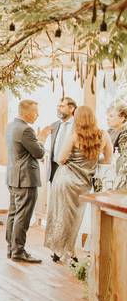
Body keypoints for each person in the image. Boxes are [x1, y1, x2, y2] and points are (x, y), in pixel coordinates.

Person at [44, 106, 112, 264]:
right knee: (76, 218)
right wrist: (91, 162)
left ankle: (58, 250)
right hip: (83, 183)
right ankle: (70, 250)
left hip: (66, 179)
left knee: (61, 214)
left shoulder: (74, 135)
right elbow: (107, 160)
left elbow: (60, 159)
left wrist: (74, 162)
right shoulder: (104, 135)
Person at [5, 100, 51, 263]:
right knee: (23, 216)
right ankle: (19, 250)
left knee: (13, 213)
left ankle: (11, 248)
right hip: (25, 179)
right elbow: (38, 153)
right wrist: (42, 138)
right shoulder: (26, 130)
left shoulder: (11, 126)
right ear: (26, 113)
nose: (37, 115)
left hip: (13, 176)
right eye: (35, 112)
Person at [48, 97, 77, 183]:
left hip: (71, 169)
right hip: (54, 168)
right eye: (57, 106)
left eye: (61, 106)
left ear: (71, 108)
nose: (58, 108)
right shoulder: (54, 125)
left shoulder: (78, 125)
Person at [106, 103, 127, 190]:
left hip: (118, 172)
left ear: (122, 118)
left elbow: (123, 158)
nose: (107, 118)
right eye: (107, 116)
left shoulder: (124, 133)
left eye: (111, 116)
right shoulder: (109, 131)